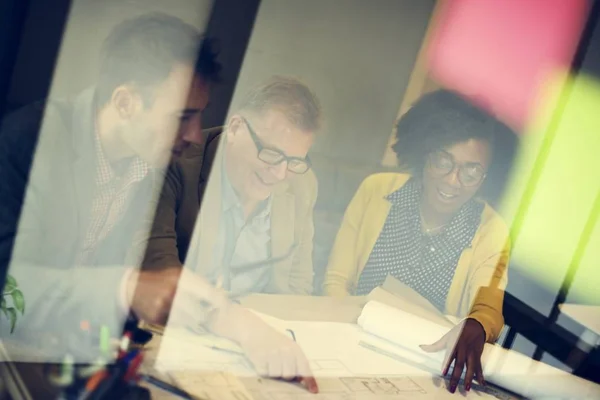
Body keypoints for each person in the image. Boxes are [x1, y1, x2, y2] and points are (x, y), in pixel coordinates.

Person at [0, 14, 318, 391]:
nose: (196, 135)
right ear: (125, 102)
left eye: (199, 115)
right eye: (183, 116)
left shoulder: (147, 162)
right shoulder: (30, 141)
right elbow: (10, 294)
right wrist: (126, 288)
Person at [324, 90, 514, 393]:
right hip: (349, 342)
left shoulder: (491, 229)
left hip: (426, 368)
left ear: (486, 177)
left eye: (471, 170)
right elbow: (337, 280)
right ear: (424, 153)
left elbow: (488, 309)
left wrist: (476, 326)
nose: (453, 180)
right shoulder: (376, 191)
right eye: (443, 160)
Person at [142, 76, 320, 297]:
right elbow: (157, 269)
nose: (279, 173)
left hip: (257, 320)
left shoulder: (302, 183)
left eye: (293, 161)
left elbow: (297, 285)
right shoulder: (176, 163)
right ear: (235, 128)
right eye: (272, 153)